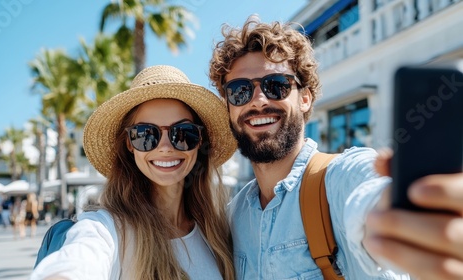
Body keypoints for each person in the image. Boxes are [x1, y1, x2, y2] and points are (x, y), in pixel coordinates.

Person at [209, 15, 463, 280]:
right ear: (229, 107)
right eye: (239, 91)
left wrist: (397, 216)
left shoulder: (341, 177)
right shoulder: (232, 217)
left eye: (276, 85)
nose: (258, 100)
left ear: (304, 98)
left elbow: (368, 197)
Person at [32, 65, 237, 280]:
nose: (165, 147)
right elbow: (77, 262)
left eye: (183, 133)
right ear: (129, 144)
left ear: (200, 140)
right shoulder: (108, 229)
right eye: (145, 134)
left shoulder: (216, 234)